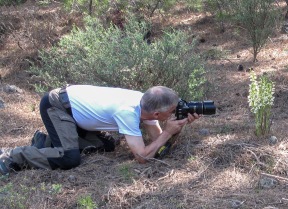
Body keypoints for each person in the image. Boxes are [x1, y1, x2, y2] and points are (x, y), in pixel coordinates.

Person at [0, 85, 199, 175]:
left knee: (107, 145)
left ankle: (46, 143)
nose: (175, 112)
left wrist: (176, 128)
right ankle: (11, 156)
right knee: (70, 159)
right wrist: (167, 132)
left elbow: (158, 144)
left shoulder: (145, 103)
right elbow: (143, 157)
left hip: (73, 111)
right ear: (156, 114)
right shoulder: (128, 112)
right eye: (173, 111)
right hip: (58, 106)